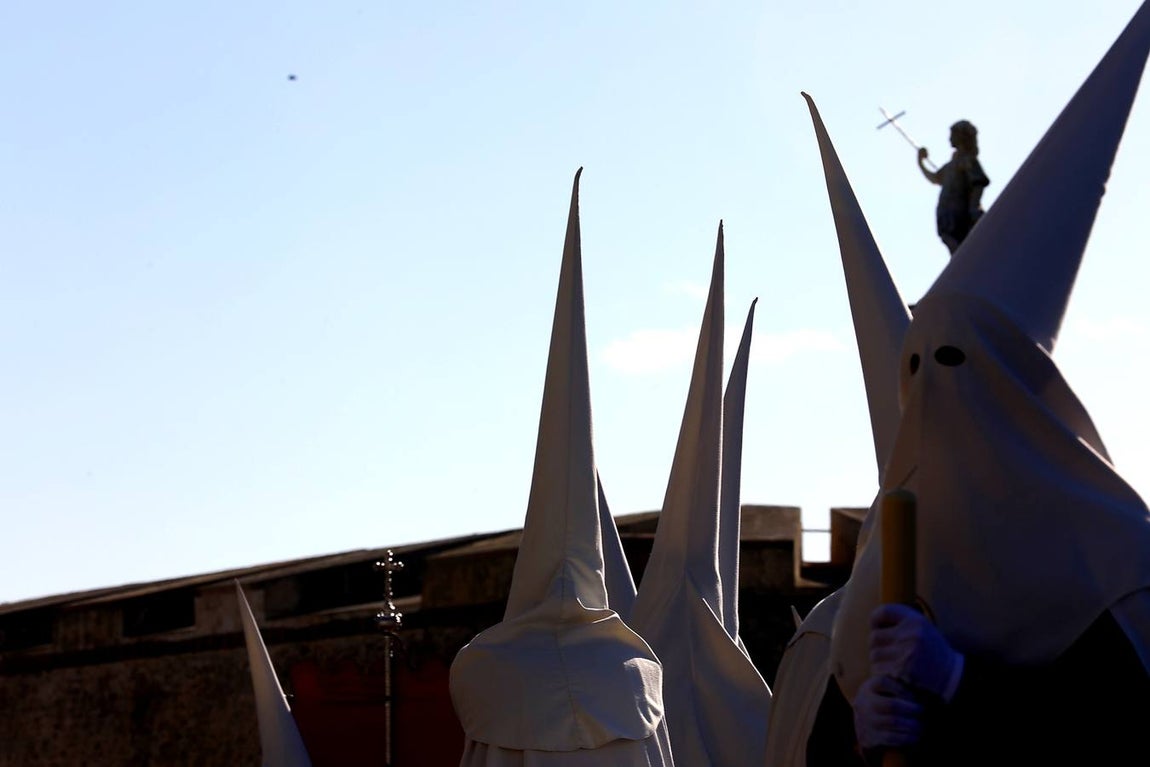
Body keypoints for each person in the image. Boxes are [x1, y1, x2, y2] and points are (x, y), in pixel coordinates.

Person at [802, 1, 1150, 764]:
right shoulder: (878, 576)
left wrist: (959, 682)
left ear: (1022, 391)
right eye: (914, 369)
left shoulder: (1122, 565)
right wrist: (859, 732)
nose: (934, 396)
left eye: (958, 364)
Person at [917, 120, 989, 255]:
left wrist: (974, 207)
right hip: (947, 216)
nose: (950, 138)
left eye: (952, 134)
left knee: (963, 249)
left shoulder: (966, 160)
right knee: (954, 248)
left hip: (959, 214)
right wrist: (920, 162)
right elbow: (935, 178)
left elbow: (978, 182)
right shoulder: (952, 164)